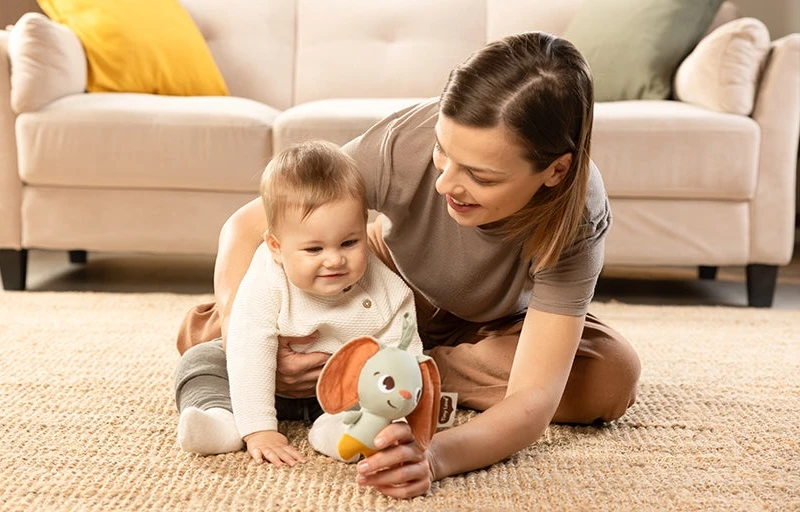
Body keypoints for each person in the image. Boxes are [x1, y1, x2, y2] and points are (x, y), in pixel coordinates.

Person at [175, 31, 641, 498]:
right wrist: (238, 330)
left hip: (494, 325)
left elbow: (533, 397)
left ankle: (396, 371)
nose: (445, 184)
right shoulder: (405, 141)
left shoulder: (577, 216)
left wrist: (434, 456)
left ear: (556, 170)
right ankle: (368, 368)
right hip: (384, 291)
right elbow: (247, 226)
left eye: (479, 176)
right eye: (443, 152)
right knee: (221, 331)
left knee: (609, 378)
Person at [174, 141, 423, 465]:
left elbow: (403, 356)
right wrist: (259, 429)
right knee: (201, 360)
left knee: (372, 387)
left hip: (339, 393)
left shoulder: (386, 288)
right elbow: (249, 347)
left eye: (349, 242)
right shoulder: (266, 277)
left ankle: (342, 432)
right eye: (314, 249)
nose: (334, 260)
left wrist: (401, 417)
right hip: (265, 383)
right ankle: (220, 419)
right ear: (276, 247)